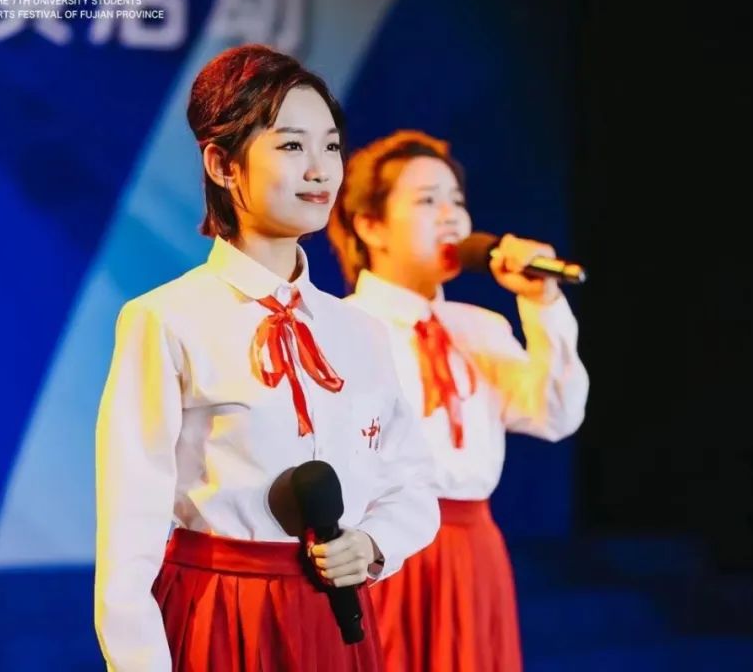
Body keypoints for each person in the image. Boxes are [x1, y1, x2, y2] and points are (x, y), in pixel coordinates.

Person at [94, 48, 439, 672]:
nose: (320, 170)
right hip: (221, 615)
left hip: (337, 624)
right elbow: (130, 529)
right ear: (223, 164)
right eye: (291, 146)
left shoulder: (360, 329)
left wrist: (371, 544)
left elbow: (412, 484)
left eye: (331, 146)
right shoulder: (165, 319)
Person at [327, 130, 590, 671]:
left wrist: (542, 303)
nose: (451, 216)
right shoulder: (341, 328)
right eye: (428, 201)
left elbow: (555, 414)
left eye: (457, 201)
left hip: (473, 549)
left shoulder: (480, 328)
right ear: (370, 225)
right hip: (384, 551)